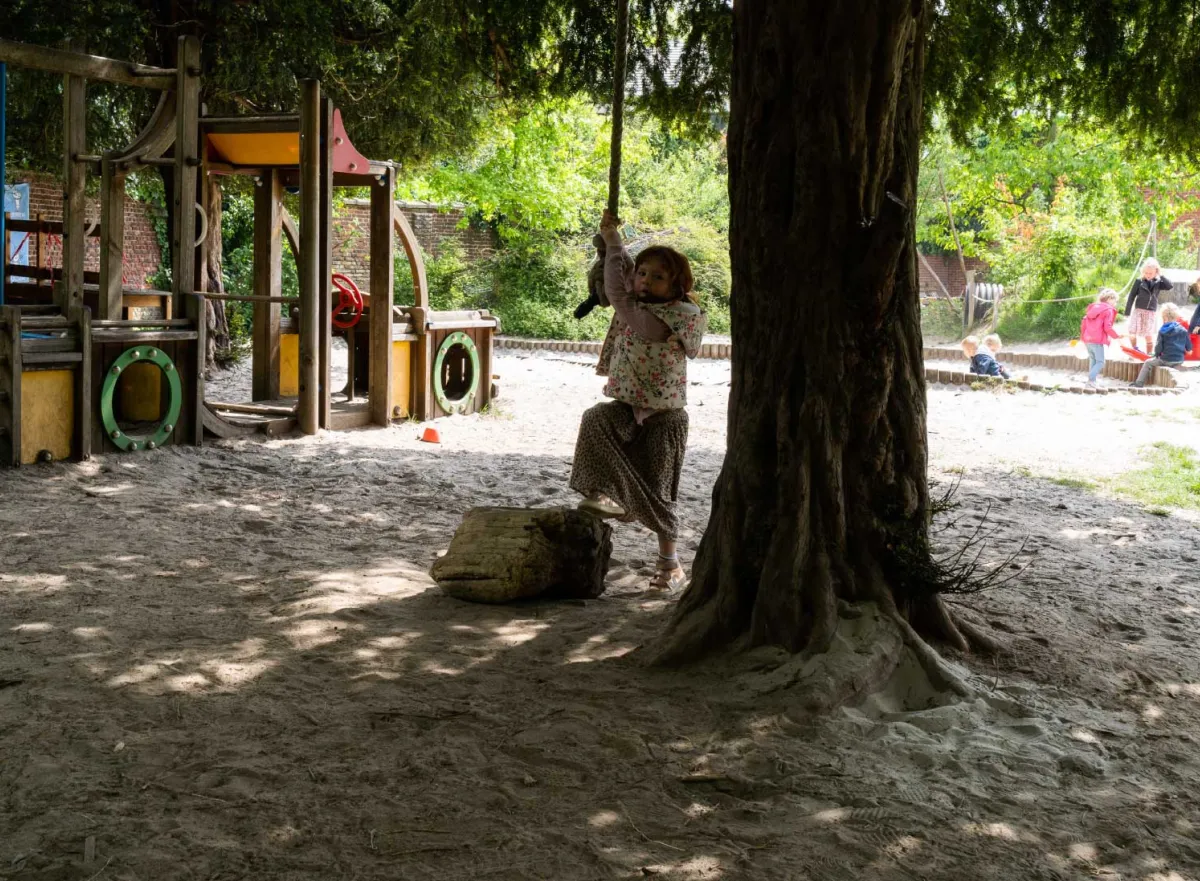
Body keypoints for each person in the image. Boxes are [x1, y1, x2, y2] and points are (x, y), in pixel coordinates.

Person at [570, 209, 707, 592]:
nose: (645, 280)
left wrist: (614, 243)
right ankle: (603, 491)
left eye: (658, 276)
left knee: (660, 490)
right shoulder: (642, 301)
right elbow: (623, 276)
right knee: (596, 420)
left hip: (664, 417)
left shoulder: (674, 317)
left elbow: (617, 293)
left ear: (677, 285)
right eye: (643, 273)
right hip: (627, 407)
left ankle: (670, 565)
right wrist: (614, 239)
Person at [1132, 302, 1192, 387]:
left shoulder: (1163, 330)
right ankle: (1177, 369)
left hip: (1166, 359)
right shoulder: (1183, 330)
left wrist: (1156, 355)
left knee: (1147, 363)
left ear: (1165, 317)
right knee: (1174, 365)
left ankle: (1139, 383)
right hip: (1179, 359)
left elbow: (1158, 347)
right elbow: (1189, 346)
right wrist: (1188, 351)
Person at [1125, 258, 1173, 353]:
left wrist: (1161, 275)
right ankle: (1135, 349)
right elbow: (1131, 296)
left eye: (1150, 273)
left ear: (1156, 272)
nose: (1148, 275)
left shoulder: (1159, 282)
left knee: (1148, 334)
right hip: (1138, 311)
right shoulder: (1139, 281)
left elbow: (1169, 286)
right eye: (1146, 272)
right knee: (1132, 332)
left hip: (1150, 312)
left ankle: (1148, 354)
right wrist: (1127, 312)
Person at [1080, 288, 1121, 388]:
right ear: (1110, 298)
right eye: (1115, 300)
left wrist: (1083, 338)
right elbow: (1107, 327)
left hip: (1087, 339)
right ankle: (1090, 378)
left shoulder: (1093, 308)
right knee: (1100, 362)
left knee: (1093, 360)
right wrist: (1116, 336)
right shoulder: (1108, 310)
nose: (1115, 303)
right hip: (1097, 340)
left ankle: (1092, 380)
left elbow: (1084, 323)